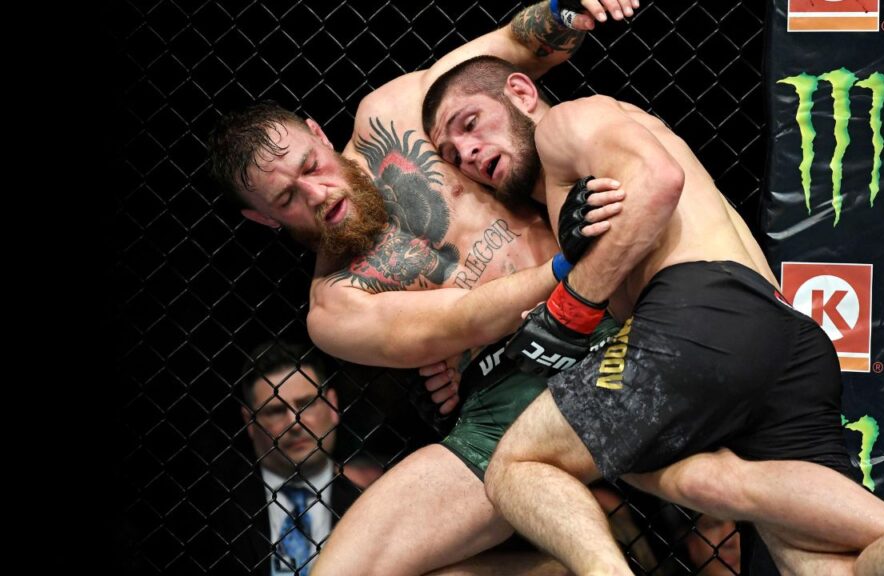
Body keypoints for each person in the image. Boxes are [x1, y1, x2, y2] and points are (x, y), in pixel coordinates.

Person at [422, 55, 884, 576]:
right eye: (454, 154)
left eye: (471, 125)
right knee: (821, 564)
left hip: (699, 313)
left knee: (518, 464)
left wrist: (568, 306)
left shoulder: (567, 122)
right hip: (781, 338)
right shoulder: (573, 192)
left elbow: (658, 183)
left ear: (522, 93)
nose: (469, 153)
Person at [207, 3, 649, 574]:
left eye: (310, 165)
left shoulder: (392, 113)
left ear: (318, 133)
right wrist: (571, 259)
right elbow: (464, 319)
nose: (315, 193)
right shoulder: (335, 306)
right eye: (288, 198)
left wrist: (567, 9)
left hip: (616, 310)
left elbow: (515, 49)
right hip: (512, 397)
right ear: (264, 219)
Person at [211, 339, 381, 575]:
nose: (295, 423)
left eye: (307, 403)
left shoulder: (369, 509)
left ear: (332, 406)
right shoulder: (217, 511)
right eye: (275, 410)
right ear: (250, 422)